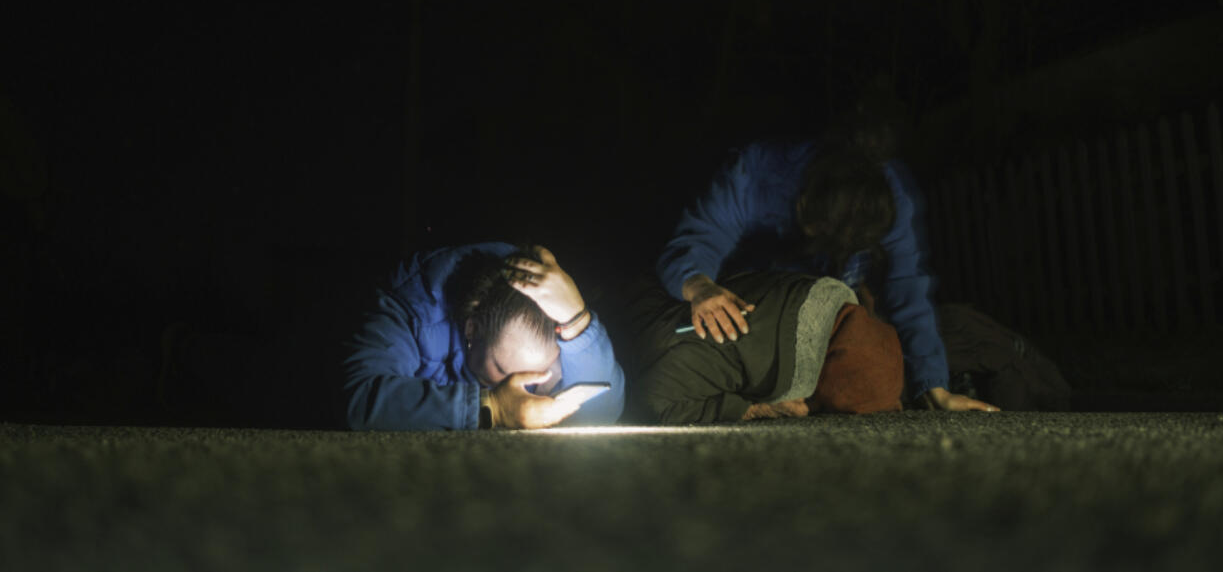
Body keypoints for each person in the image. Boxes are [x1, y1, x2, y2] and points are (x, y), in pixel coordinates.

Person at [657, 136, 997, 412]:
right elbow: (699, 237)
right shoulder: (755, 174)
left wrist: (934, 387)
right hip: (756, 297)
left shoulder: (888, 194)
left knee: (880, 376)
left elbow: (907, 287)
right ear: (804, 204)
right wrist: (699, 285)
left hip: (835, 301)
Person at [345, 243, 625, 430]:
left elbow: (603, 413)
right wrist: (492, 407)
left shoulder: (562, 328)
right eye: (502, 370)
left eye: (540, 374)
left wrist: (578, 322)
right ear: (472, 329)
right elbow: (359, 400)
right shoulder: (410, 305)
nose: (521, 390)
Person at [626, 271, 905, 423]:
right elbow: (654, 401)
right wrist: (756, 409)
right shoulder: (742, 351)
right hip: (621, 331)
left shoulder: (803, 288)